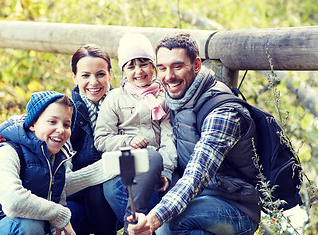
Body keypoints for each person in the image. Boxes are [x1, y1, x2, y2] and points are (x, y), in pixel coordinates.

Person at [127, 33, 261, 235]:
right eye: (162, 68)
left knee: (166, 226)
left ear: (197, 65)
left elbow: (195, 176)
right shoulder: (174, 98)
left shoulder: (223, 113)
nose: (168, 76)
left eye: (177, 66)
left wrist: (153, 219)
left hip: (236, 207)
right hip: (201, 197)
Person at [94, 33, 177, 235]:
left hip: (157, 164)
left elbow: (168, 136)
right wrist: (128, 141)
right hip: (126, 162)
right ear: (123, 71)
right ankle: (139, 226)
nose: (139, 71)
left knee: (156, 168)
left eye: (144, 64)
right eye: (131, 67)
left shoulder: (164, 95)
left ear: (153, 66)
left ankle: (137, 227)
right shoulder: (114, 98)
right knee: (113, 189)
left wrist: (166, 170)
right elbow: (102, 138)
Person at [0, 91, 77, 235]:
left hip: (33, 226)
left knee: (74, 216)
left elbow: (57, 204)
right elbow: (13, 202)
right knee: (29, 225)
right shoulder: (8, 151)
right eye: (52, 122)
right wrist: (59, 215)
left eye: (66, 124)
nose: (61, 130)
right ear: (32, 124)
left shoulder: (58, 158)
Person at [66, 44, 118, 234]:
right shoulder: (68, 111)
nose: (94, 82)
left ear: (110, 75)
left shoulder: (124, 103)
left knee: (101, 190)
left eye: (100, 74)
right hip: (79, 188)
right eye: (85, 75)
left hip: (116, 181)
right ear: (74, 77)